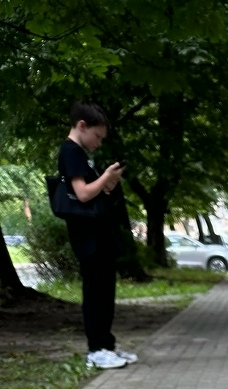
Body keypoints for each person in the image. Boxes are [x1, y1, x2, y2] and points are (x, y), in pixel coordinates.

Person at [57, 102, 136, 370]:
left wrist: (108, 183)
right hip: (87, 236)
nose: (99, 143)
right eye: (97, 136)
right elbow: (82, 194)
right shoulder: (71, 152)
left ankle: (106, 345)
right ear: (82, 126)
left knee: (105, 291)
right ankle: (96, 350)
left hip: (98, 234)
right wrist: (106, 177)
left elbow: (92, 192)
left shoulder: (78, 154)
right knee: (96, 292)